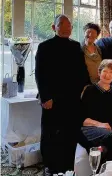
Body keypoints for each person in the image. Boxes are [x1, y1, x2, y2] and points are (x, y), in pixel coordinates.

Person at [35, 14, 90, 175]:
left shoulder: (75, 46)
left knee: (70, 133)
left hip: (72, 99)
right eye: (62, 25)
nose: (67, 28)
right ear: (54, 27)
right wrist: (45, 97)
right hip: (51, 99)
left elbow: (82, 71)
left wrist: (84, 90)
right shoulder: (45, 46)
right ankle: (49, 166)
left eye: (69, 26)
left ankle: (67, 166)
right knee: (50, 133)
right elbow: (40, 74)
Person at [79, 59, 112, 163]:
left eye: (111, 72)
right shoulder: (89, 90)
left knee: (109, 141)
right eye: (105, 71)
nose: (107, 75)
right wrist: (100, 124)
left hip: (108, 133)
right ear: (99, 72)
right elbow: (81, 119)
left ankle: (100, 154)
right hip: (90, 129)